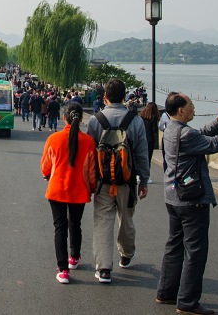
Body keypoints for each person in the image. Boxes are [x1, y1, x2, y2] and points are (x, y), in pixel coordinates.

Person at [157, 93, 218, 315]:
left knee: (174, 246)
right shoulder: (185, 133)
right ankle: (187, 302)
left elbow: (199, 135)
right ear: (181, 110)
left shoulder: (170, 128)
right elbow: (217, 144)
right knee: (195, 251)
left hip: (173, 197)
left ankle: (166, 293)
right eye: (191, 106)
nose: (194, 108)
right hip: (191, 199)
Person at [85, 79, 150, 284]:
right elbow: (141, 153)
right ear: (125, 97)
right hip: (127, 181)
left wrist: (91, 181)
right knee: (126, 217)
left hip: (103, 182)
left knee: (103, 221)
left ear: (105, 96)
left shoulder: (96, 120)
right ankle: (126, 254)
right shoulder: (135, 120)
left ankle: (104, 268)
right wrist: (144, 180)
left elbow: (90, 153)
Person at [41, 102, 97, 284]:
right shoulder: (88, 141)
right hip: (79, 190)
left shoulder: (54, 139)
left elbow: (45, 167)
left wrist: (48, 175)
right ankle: (74, 257)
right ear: (81, 119)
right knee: (75, 224)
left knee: (59, 228)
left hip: (57, 189)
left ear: (63, 117)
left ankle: (63, 270)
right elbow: (92, 171)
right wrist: (93, 187)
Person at [139, 102, 160, 184]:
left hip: (141, 139)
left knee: (140, 157)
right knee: (148, 158)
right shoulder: (153, 117)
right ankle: (146, 177)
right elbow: (154, 130)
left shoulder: (141, 116)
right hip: (150, 139)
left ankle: (139, 176)